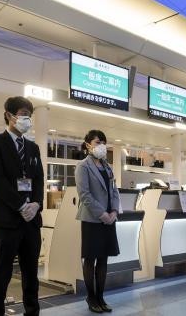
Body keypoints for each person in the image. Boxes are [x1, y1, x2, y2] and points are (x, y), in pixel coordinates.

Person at [0, 96, 44, 316]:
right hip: (8, 219)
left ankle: (32, 312)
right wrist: (21, 206)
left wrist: (36, 204)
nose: (26, 119)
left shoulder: (33, 147)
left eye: (29, 115)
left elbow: (39, 179)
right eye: (22, 114)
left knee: (31, 273)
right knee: (2, 272)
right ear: (9, 116)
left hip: (32, 221)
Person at [75, 130, 120, 313]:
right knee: (90, 259)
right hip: (93, 219)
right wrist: (102, 214)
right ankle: (91, 297)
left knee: (103, 259)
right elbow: (84, 194)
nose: (101, 145)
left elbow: (114, 191)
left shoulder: (107, 166)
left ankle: (101, 297)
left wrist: (115, 211)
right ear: (87, 145)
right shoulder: (83, 166)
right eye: (97, 142)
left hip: (109, 219)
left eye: (103, 142)